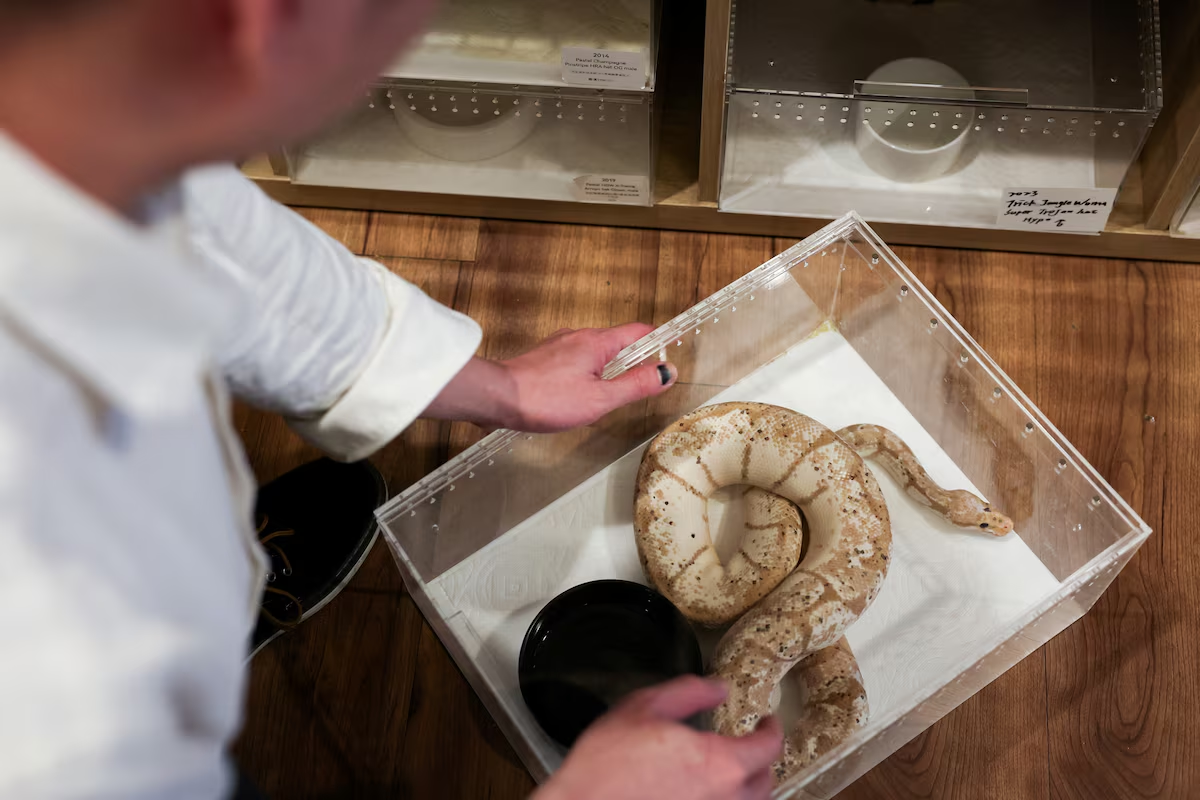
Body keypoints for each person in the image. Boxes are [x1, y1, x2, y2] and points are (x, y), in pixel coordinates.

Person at [0, 1, 784, 798]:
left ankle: (225, 584)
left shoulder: (75, 115)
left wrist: (498, 387)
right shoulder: (50, 642)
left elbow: (213, 242)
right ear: (266, 19)